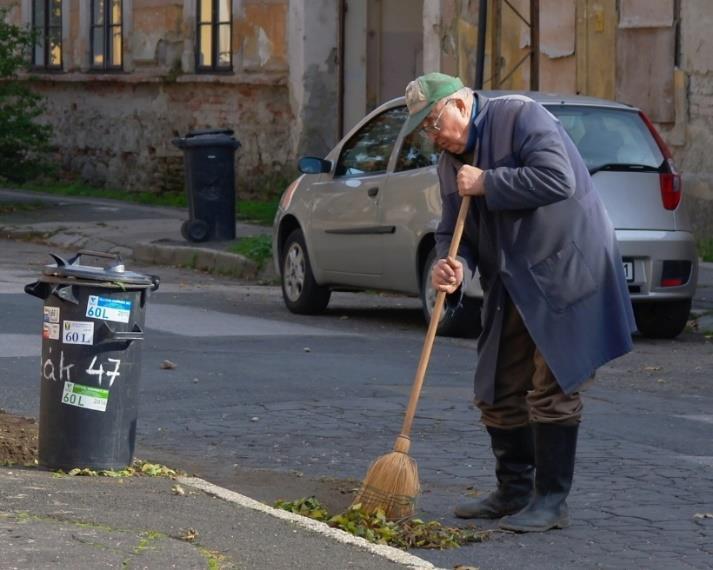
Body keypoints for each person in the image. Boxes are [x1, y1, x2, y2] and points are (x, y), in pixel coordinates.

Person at [402, 72, 637, 533]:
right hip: (509, 278)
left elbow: (558, 179)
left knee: (553, 387)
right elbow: (454, 229)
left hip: (564, 271)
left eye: (433, 123)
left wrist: (489, 180)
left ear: (461, 106)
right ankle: (513, 491)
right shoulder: (449, 162)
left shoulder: (521, 117)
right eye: (424, 131)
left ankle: (550, 501)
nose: (432, 137)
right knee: (495, 385)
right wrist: (453, 265)